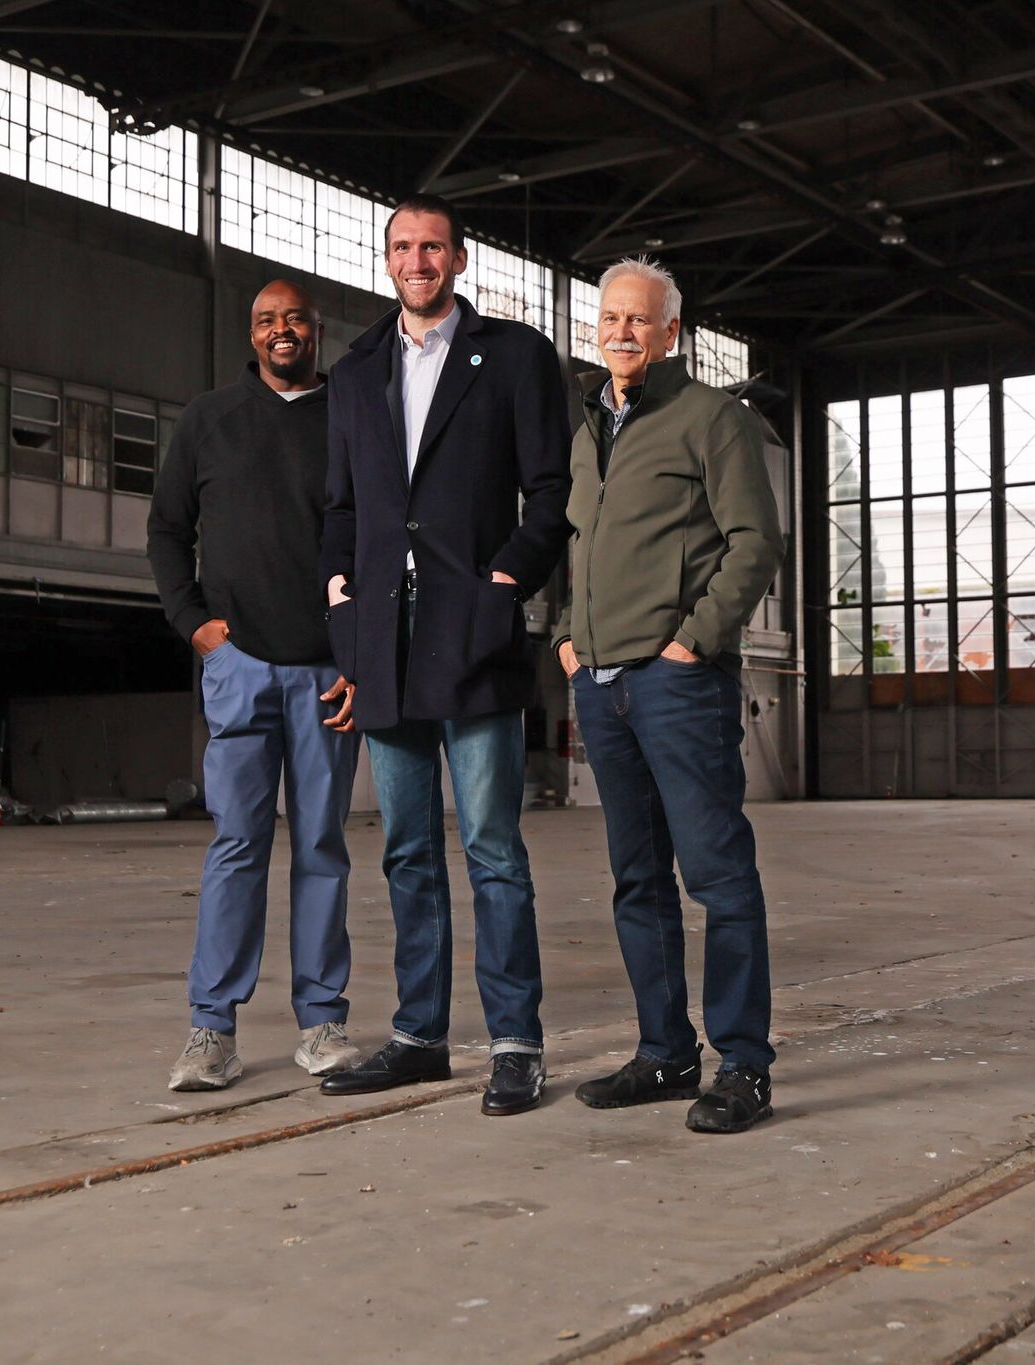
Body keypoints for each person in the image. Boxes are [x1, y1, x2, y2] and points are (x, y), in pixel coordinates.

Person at [315, 194, 572, 1117]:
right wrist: (339, 594)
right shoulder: (356, 370)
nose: (416, 261)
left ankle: (515, 1043)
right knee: (408, 850)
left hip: (474, 627)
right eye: (401, 247)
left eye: (432, 247)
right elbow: (341, 505)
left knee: (493, 846)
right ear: (386, 260)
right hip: (384, 634)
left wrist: (506, 580)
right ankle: (421, 1036)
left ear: (459, 259)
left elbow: (550, 491)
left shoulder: (514, 357)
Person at [556, 257, 785, 1134]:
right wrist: (568, 638)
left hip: (678, 684)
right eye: (610, 318)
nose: (621, 331)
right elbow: (580, 545)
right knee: (637, 880)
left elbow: (754, 540)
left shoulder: (710, 418)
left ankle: (744, 1065)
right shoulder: (589, 427)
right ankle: (664, 1052)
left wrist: (694, 642)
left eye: (639, 319)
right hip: (600, 682)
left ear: (671, 332)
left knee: (718, 875)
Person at [147, 280, 363, 1091]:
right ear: (253, 334)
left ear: (316, 330)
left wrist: (360, 656)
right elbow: (167, 529)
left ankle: (322, 1021)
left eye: (295, 319)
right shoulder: (209, 419)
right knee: (236, 845)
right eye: (268, 320)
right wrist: (195, 625)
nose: (282, 330)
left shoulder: (350, 418)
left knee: (321, 846)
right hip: (238, 669)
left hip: (326, 672)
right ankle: (211, 1030)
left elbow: (380, 538)